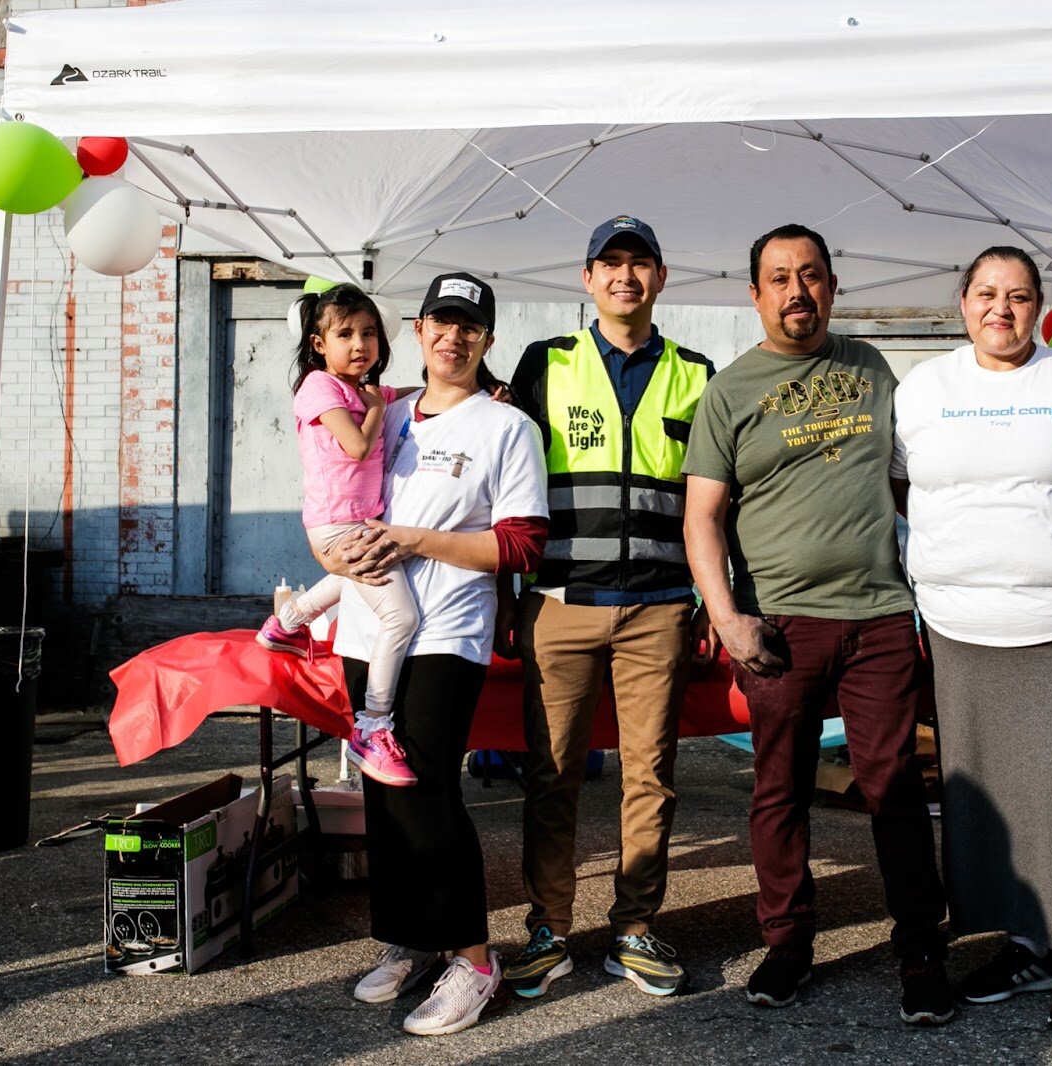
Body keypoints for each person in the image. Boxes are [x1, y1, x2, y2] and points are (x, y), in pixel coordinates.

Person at [682, 223, 951, 1026]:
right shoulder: (729, 391)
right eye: (779, 278)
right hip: (780, 625)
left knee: (894, 788)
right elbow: (702, 517)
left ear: (832, 285)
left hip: (877, 615)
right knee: (780, 792)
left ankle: (921, 951)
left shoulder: (870, 366)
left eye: (811, 275)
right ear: (755, 294)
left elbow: (913, 481)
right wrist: (727, 617)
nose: (797, 291)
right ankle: (789, 945)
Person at [890, 246, 1052, 1032]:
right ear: (961, 303)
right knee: (985, 792)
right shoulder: (923, 390)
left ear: (1040, 307)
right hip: (960, 626)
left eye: (1018, 296)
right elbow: (905, 487)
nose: (1000, 309)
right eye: (985, 294)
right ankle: (1026, 944)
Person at [325, 272, 551, 1037]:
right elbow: (330, 491)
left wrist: (415, 541)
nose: (453, 338)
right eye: (440, 323)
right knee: (380, 795)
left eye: (470, 327)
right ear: (417, 330)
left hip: (446, 631)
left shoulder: (506, 427)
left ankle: (475, 960)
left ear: (487, 340)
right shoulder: (382, 415)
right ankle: (410, 936)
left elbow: (522, 544)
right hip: (367, 627)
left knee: (422, 787)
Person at [500, 215, 715, 1000]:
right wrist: (504, 598)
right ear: (587, 279)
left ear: (661, 279)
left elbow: (711, 501)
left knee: (650, 776)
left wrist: (714, 603)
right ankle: (549, 929)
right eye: (611, 263)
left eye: (641, 263)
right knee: (552, 775)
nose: (626, 276)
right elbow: (502, 488)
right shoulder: (545, 364)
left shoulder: (696, 374)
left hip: (659, 606)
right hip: (560, 603)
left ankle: (632, 929)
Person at [255, 284, 419, 787]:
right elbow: (354, 445)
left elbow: (414, 394)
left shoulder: (364, 388)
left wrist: (472, 393)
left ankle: (287, 624)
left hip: (355, 521)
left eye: (368, 333)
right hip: (338, 523)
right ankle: (374, 723)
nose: (359, 344)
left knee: (354, 580)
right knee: (400, 615)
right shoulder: (320, 387)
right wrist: (373, 406)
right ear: (319, 342)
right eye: (344, 333)